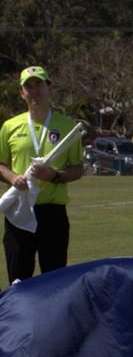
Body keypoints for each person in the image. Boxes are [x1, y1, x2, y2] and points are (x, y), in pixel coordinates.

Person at [0, 66, 84, 284]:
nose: (34, 90)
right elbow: (0, 164)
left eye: (39, 84)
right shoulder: (10, 126)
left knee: (54, 282)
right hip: (19, 211)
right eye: (28, 86)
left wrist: (54, 176)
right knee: (18, 282)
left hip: (52, 214)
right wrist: (13, 178)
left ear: (49, 88)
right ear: (21, 93)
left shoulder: (67, 126)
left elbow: (78, 168)